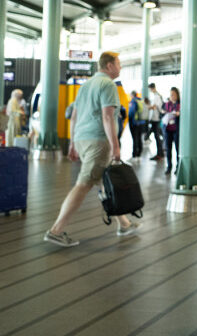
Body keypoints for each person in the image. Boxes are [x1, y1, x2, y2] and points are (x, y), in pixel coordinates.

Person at [44, 51, 139, 247]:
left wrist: (72, 143)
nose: (120, 67)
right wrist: (115, 146)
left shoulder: (85, 86)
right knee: (84, 183)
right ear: (109, 66)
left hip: (82, 139)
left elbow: (75, 115)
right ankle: (56, 230)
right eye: (119, 64)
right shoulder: (108, 85)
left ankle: (124, 223)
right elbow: (107, 118)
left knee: (103, 181)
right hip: (98, 141)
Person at [162, 87, 180, 175]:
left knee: (177, 149)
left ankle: (178, 167)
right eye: (171, 95)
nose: (172, 96)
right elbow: (162, 112)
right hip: (168, 129)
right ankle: (169, 167)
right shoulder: (167, 104)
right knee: (168, 149)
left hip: (176, 130)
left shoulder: (180, 104)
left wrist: (178, 114)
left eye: (173, 95)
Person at [148, 83, 164, 160]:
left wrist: (148, 107)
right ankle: (160, 153)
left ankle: (160, 154)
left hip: (156, 119)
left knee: (157, 137)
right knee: (157, 136)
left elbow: (155, 106)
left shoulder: (157, 96)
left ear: (152, 88)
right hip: (155, 119)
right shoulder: (156, 96)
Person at [127, 90, 145, 159]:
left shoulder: (133, 101)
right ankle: (139, 153)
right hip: (141, 122)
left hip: (134, 123)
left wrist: (128, 117)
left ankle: (134, 154)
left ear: (132, 95)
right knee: (139, 138)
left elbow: (131, 112)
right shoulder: (141, 100)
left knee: (135, 138)